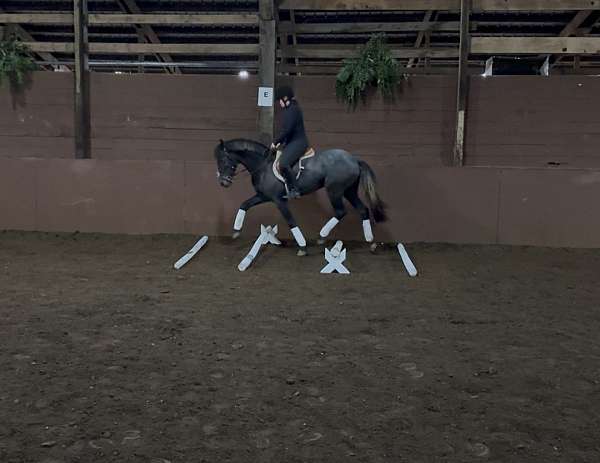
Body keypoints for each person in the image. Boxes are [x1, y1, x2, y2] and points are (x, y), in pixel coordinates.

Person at [271, 85, 308, 199]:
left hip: (298, 142)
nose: (279, 103)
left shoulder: (293, 110)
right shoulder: (289, 109)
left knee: (283, 164)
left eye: (279, 101)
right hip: (292, 142)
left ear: (285, 98)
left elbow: (287, 130)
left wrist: (276, 141)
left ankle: (294, 189)